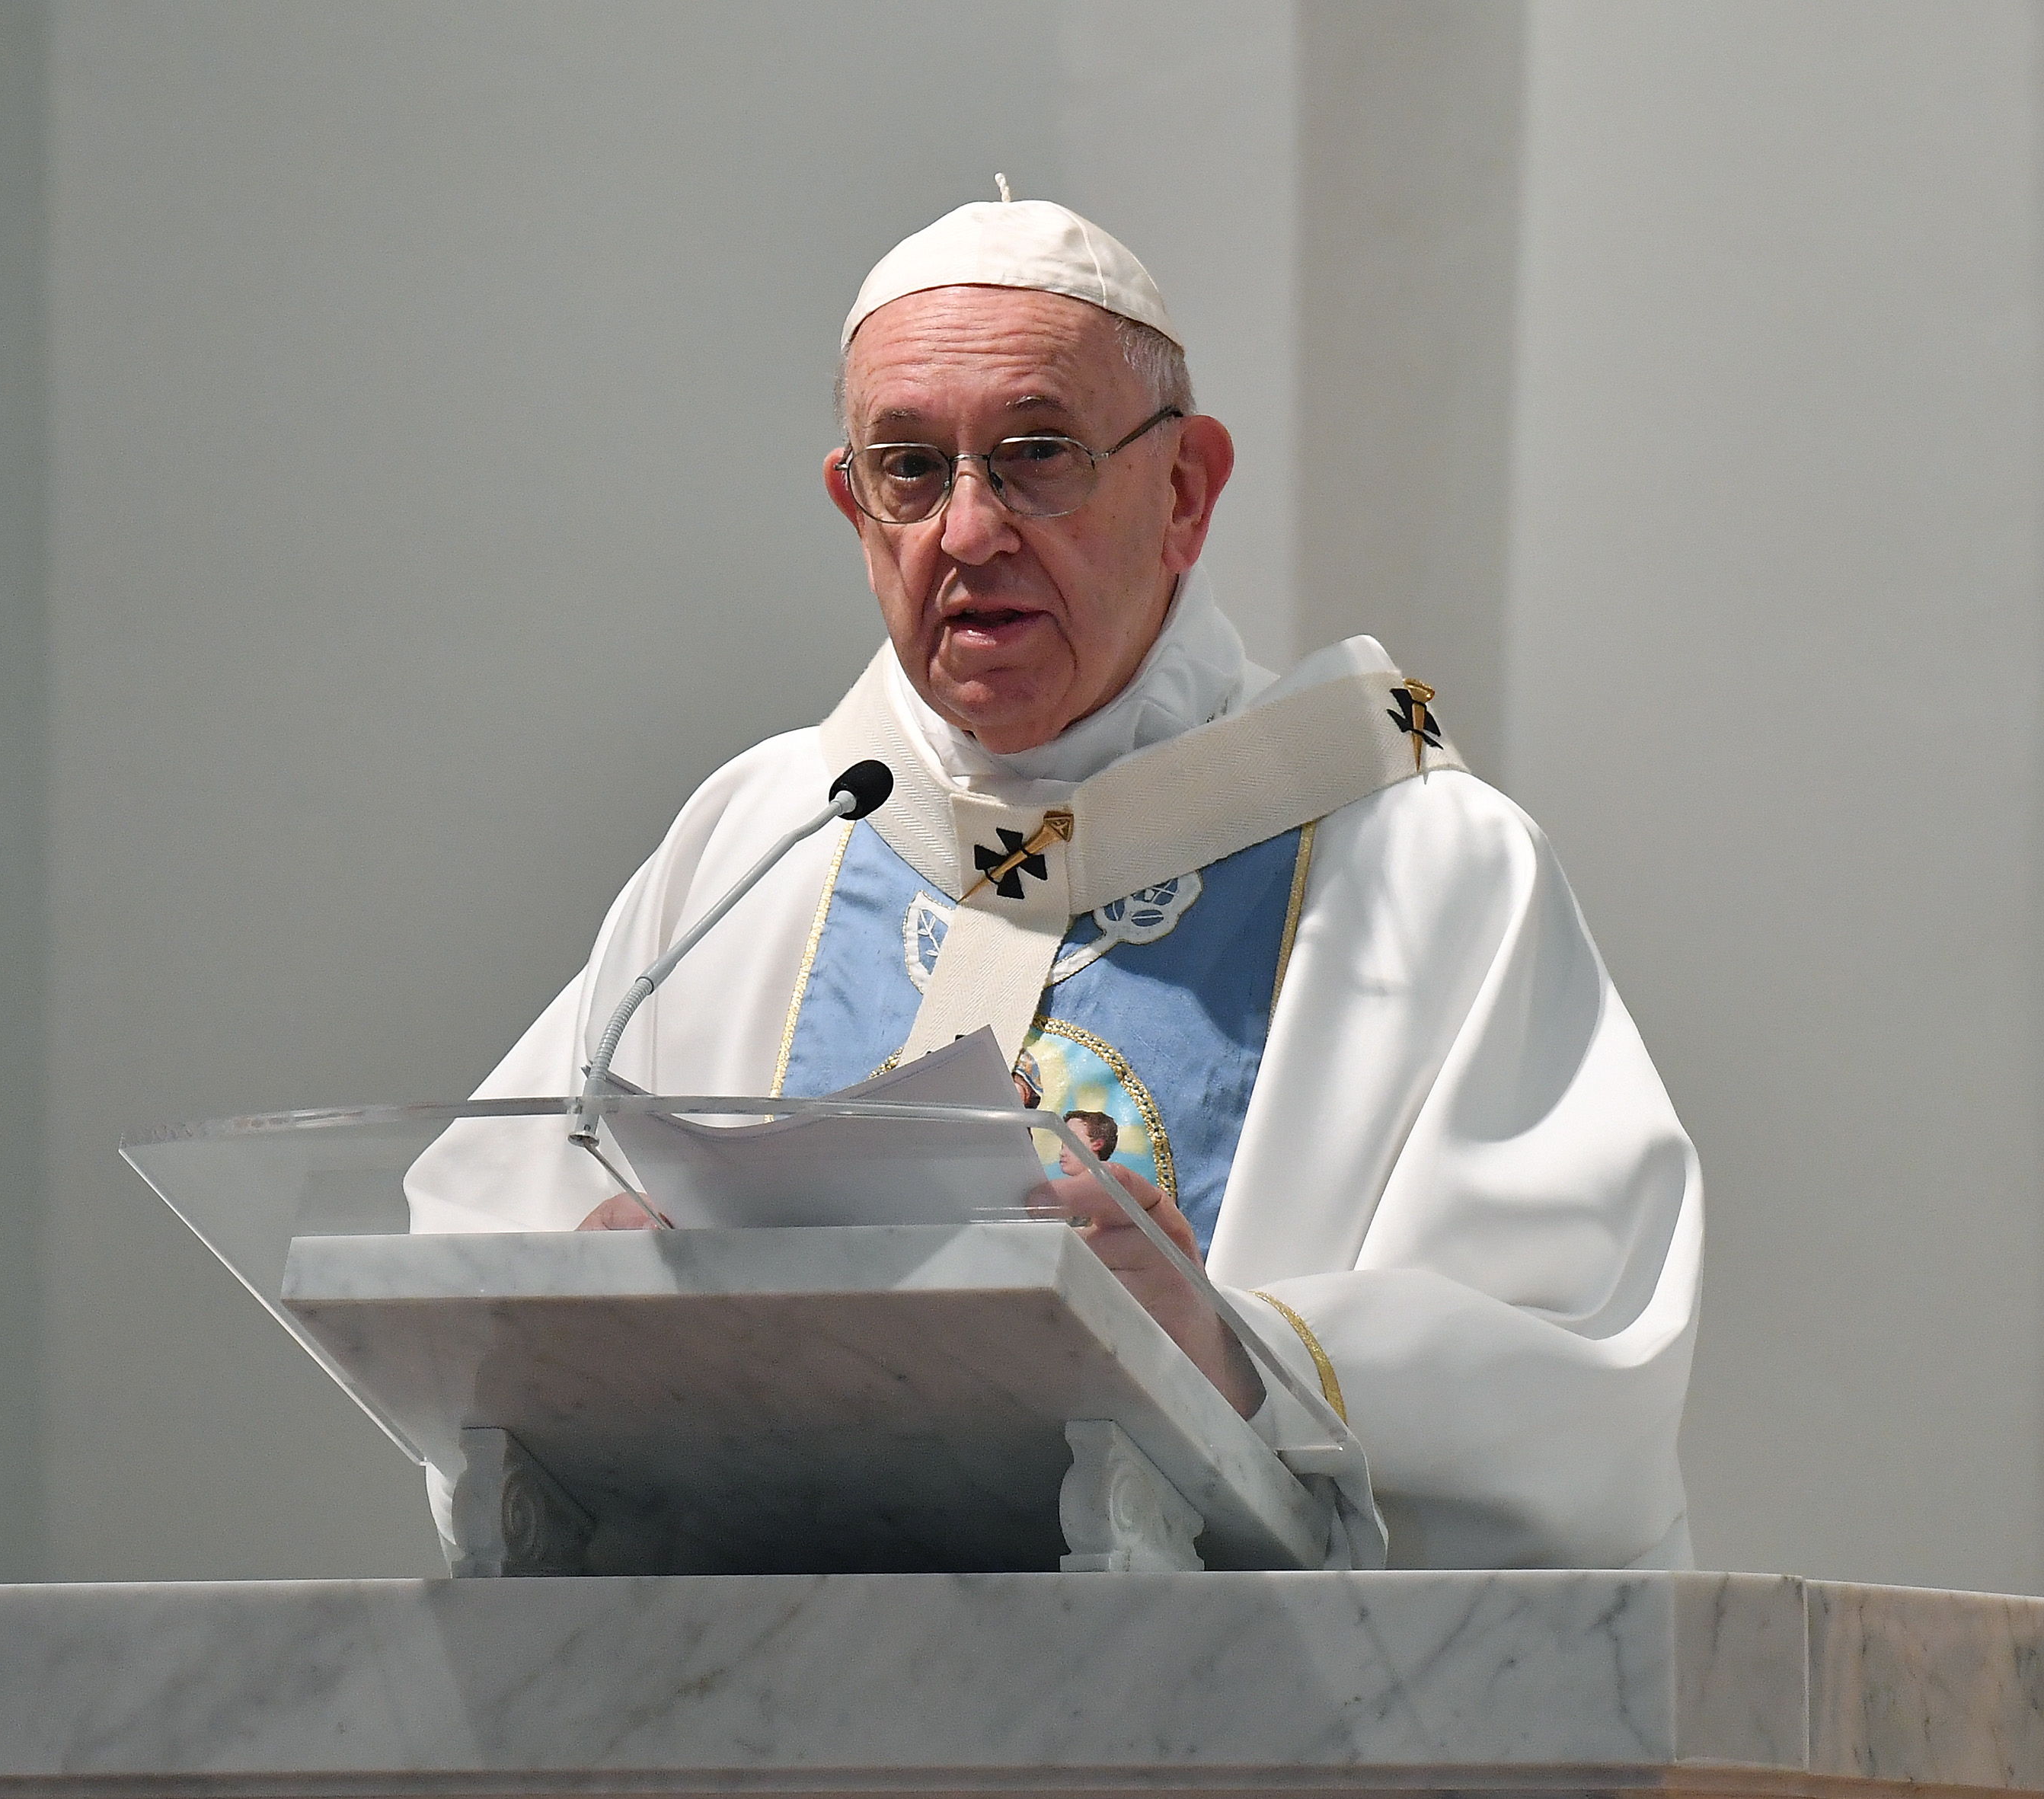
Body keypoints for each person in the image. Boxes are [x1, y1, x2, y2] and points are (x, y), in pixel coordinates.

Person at [404, 177, 1702, 1572]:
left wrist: (1222, 1348)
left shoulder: (1419, 861)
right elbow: (473, 1256)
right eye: (910, 469)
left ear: (1187, 488)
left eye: (1036, 455)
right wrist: (587, 1311)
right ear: (854, 504)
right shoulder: (769, 834)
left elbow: (1576, 1371)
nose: (968, 532)